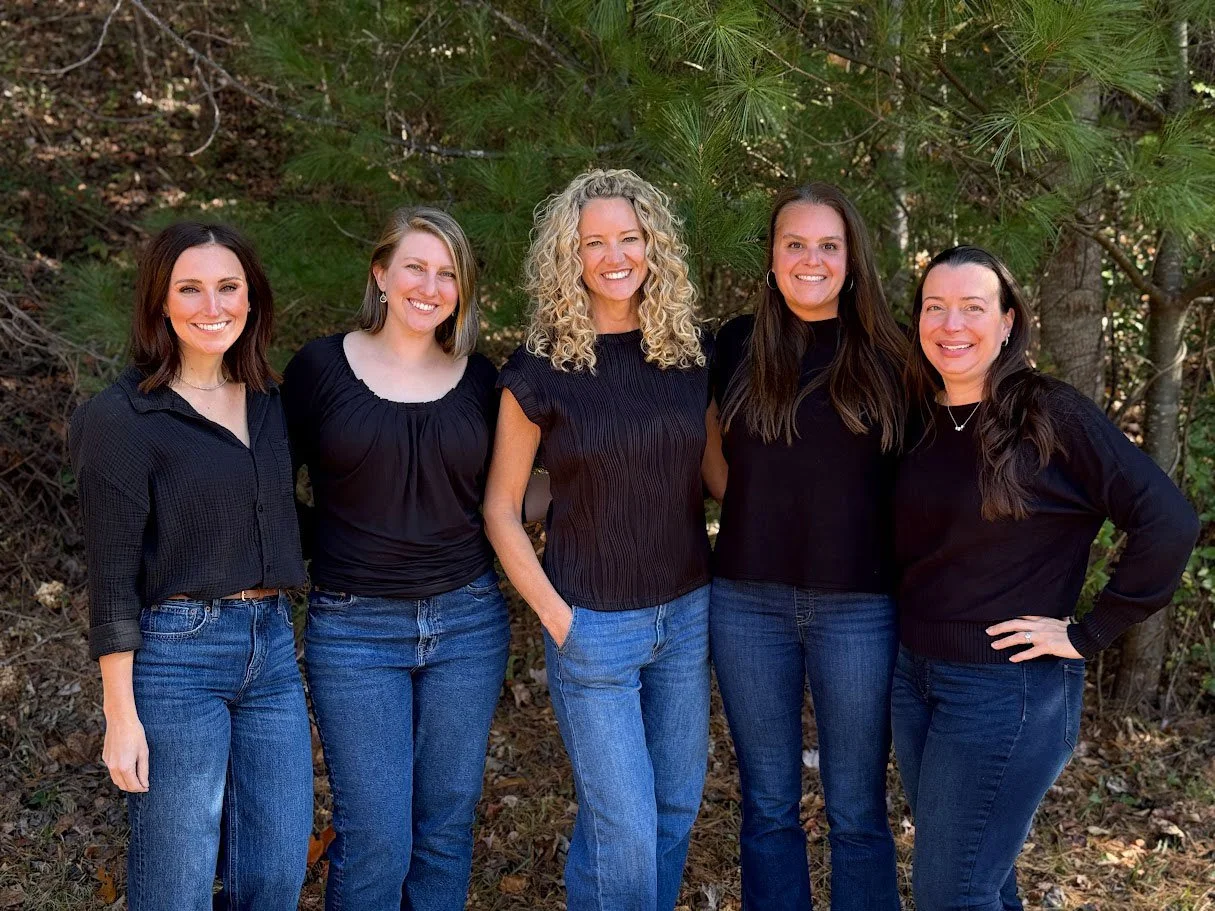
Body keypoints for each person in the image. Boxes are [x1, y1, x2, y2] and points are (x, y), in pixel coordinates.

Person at [892, 245, 1200, 911]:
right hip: (914, 677)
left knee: (952, 891)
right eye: (934, 307)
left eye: (972, 307)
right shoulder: (917, 411)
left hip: (1005, 691)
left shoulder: (1048, 413)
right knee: (980, 876)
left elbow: (1167, 520)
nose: (951, 324)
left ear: (1007, 322)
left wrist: (1091, 631)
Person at [483, 168, 715, 911]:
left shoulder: (687, 355)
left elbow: (718, 479)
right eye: (593, 243)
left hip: (686, 613)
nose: (614, 255)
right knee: (624, 825)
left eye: (629, 237)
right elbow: (501, 505)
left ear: (654, 245)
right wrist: (556, 616)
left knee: (672, 809)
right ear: (568, 257)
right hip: (593, 625)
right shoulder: (541, 367)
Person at [69, 222, 312, 911]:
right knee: (175, 885)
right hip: (176, 658)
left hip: (270, 652)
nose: (214, 305)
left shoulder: (268, 401)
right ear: (159, 303)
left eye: (228, 286)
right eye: (191, 288)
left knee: (273, 875)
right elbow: (111, 574)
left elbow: (281, 517)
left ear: (252, 298)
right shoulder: (121, 417)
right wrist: (121, 714)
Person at [281, 207, 509, 911]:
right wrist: (328, 547)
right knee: (377, 834)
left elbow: (511, 493)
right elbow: (268, 485)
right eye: (415, 266)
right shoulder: (319, 367)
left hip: (468, 623)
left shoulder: (482, 379)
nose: (430, 285)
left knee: (444, 825)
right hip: (354, 630)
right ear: (381, 274)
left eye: (448, 273)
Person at [706, 182, 908, 910]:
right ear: (770, 256)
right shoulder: (732, 343)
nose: (810, 259)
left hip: (858, 608)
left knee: (856, 808)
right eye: (794, 244)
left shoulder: (895, 353)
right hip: (745, 603)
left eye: (828, 245)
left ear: (851, 258)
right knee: (766, 803)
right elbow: (710, 463)